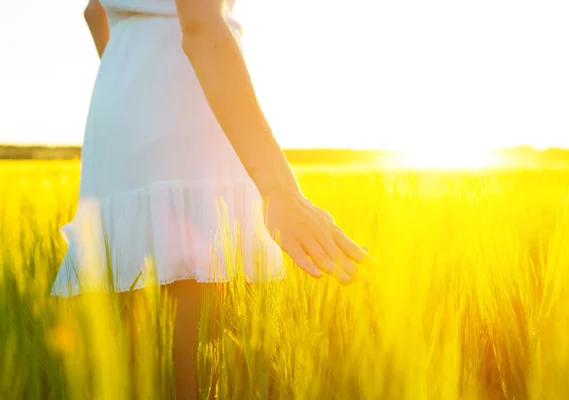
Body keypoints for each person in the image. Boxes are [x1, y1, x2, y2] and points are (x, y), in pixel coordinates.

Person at [51, 0, 373, 398]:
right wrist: (279, 188)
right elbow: (201, 24)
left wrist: (130, 69)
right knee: (194, 368)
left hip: (117, 112)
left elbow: (94, 11)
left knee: (136, 363)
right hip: (188, 115)